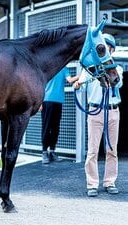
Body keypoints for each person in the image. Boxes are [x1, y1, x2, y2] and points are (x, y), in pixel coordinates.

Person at [73, 33, 123, 197]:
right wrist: (78, 83)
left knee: (112, 150)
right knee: (92, 150)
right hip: (95, 112)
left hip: (113, 111)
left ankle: (110, 181)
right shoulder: (89, 69)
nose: (104, 49)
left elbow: (117, 83)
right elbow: (80, 85)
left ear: (112, 50)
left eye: (107, 46)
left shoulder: (117, 69)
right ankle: (92, 184)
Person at [41, 67, 79, 164]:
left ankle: (52, 152)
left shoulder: (64, 69)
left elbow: (70, 80)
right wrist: (40, 102)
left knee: (55, 128)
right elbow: (41, 84)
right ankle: (44, 152)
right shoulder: (49, 67)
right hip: (47, 100)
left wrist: (81, 76)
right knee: (46, 127)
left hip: (59, 101)